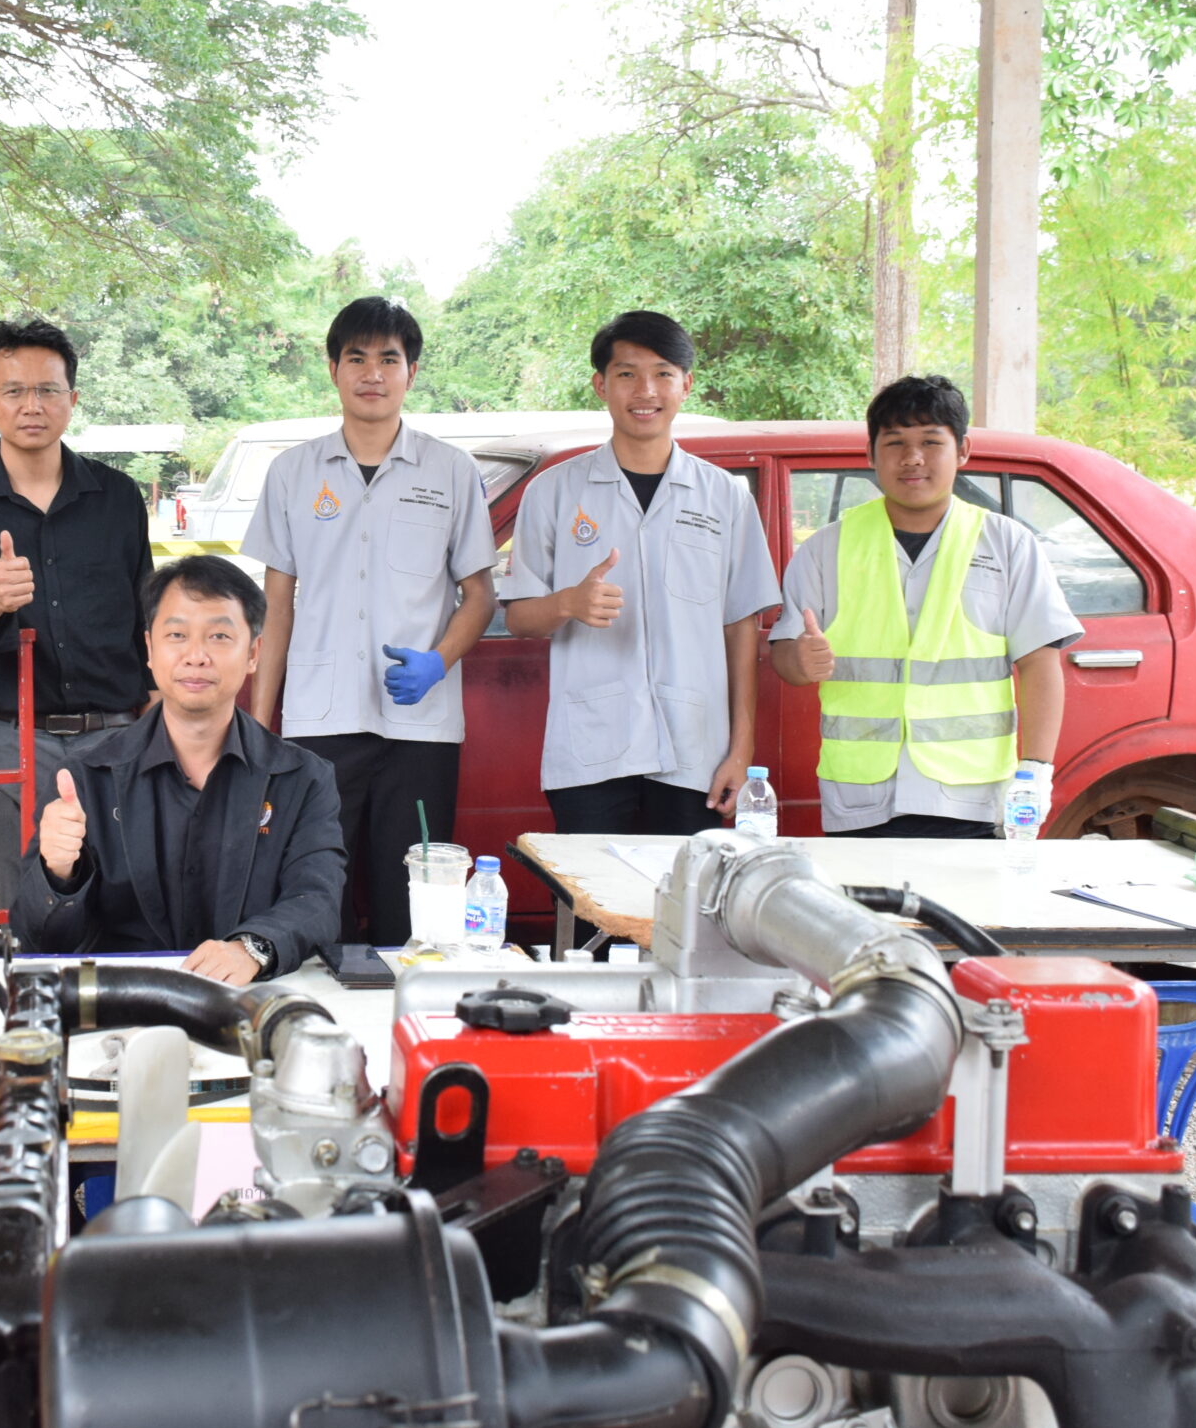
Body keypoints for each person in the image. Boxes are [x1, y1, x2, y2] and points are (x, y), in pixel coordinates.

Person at [244, 296, 497, 946]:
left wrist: (439, 660)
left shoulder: (451, 470)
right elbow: (276, 606)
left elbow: (481, 594)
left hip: (420, 731)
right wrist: (263, 725)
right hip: (318, 722)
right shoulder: (292, 473)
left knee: (411, 907)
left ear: (411, 371)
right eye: (356, 357)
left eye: (389, 358)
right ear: (333, 368)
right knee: (315, 891)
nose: (373, 373)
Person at [499, 311, 781, 835]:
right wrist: (567, 604)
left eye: (663, 373)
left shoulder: (724, 497)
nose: (645, 390)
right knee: (594, 911)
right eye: (627, 373)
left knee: (682, 909)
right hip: (591, 751)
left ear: (686, 385)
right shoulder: (555, 492)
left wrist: (740, 751)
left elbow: (740, 627)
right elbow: (519, 619)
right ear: (600, 385)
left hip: (695, 750)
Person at [769, 374, 1080, 837]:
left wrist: (1035, 772)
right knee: (863, 911)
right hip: (861, 797)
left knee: (965, 912)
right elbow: (784, 656)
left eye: (930, 442)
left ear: (963, 451)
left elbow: (1040, 664)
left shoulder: (1006, 544)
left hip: (969, 799)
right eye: (894, 442)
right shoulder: (826, 548)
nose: (912, 458)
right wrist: (800, 659)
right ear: (871, 454)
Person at [22, 554, 345, 983]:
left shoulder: (302, 779)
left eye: (218, 636)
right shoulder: (84, 779)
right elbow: (38, 939)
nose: (196, 656)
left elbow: (318, 900)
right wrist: (57, 875)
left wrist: (253, 946)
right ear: (150, 651)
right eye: (177, 634)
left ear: (253, 653)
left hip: (250, 1000)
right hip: (125, 1010)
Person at [0, 318, 152, 911]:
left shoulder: (117, 497)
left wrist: (154, 698)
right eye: (15, 390)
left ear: (72, 400)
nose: (33, 405)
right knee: (24, 901)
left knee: (125, 891)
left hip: (115, 732)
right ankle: (27, 999)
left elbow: (143, 602)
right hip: (6, 732)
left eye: (48, 390)